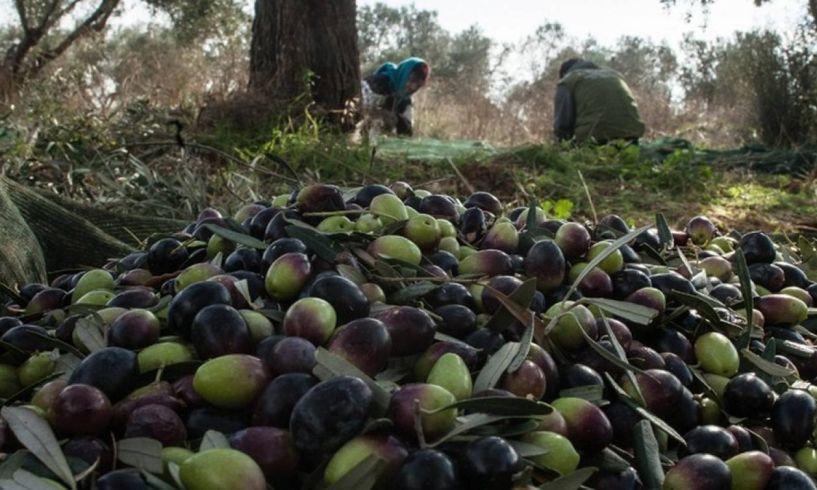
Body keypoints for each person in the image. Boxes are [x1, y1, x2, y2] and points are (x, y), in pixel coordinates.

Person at [553, 58, 645, 145]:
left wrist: (560, 148)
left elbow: (562, 126)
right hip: (632, 138)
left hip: (595, 141)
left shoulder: (568, 81)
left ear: (564, 73)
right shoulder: (615, 75)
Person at [359, 57, 430, 138]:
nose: (413, 87)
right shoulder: (380, 82)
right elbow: (359, 107)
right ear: (404, 74)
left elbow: (407, 133)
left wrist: (397, 119)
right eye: (411, 80)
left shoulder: (405, 100)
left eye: (418, 85)